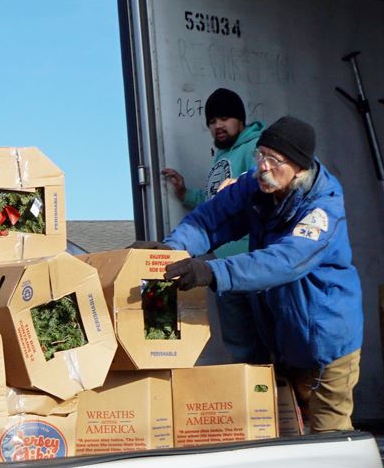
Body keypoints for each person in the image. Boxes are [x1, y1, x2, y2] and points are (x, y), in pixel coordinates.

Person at [156, 115, 364, 431]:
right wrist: (168, 250)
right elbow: (209, 220)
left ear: (300, 167)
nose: (263, 166)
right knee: (284, 433)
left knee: (329, 437)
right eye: (260, 155)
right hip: (285, 336)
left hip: (327, 344)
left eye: (274, 160)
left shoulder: (323, 211)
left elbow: (284, 261)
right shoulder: (257, 186)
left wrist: (211, 272)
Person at [160, 88, 266, 361]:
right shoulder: (220, 156)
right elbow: (215, 201)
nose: (217, 125)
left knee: (269, 337)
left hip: (254, 260)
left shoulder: (255, 147)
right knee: (239, 343)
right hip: (222, 263)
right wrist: (186, 194)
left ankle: (283, 400)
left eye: (224, 118)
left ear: (240, 120)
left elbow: (259, 189)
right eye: (211, 121)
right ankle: (255, 398)